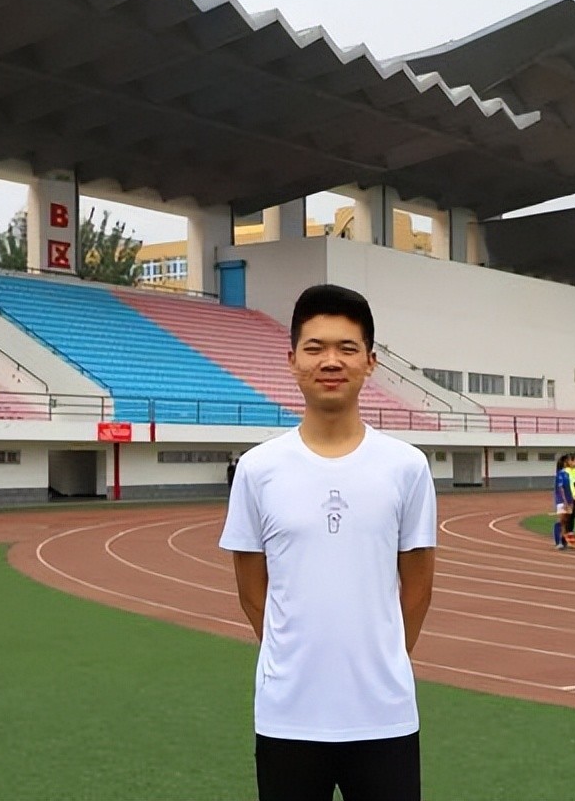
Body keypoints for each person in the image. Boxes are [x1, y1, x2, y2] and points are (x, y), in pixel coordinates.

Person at [219, 284, 436, 801]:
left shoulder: (406, 467)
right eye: (315, 348)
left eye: (347, 348)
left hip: (384, 716)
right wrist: (294, 658)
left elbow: (419, 587)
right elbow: (253, 592)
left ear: (370, 362)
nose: (330, 361)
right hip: (288, 717)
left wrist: (380, 658)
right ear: (292, 359)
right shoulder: (258, 469)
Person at [553, 455, 575, 551]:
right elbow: (561, 488)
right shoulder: (560, 474)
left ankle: (563, 541)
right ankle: (558, 542)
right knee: (561, 520)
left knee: (566, 522)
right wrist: (565, 501)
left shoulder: (568, 474)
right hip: (562, 501)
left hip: (569, 499)